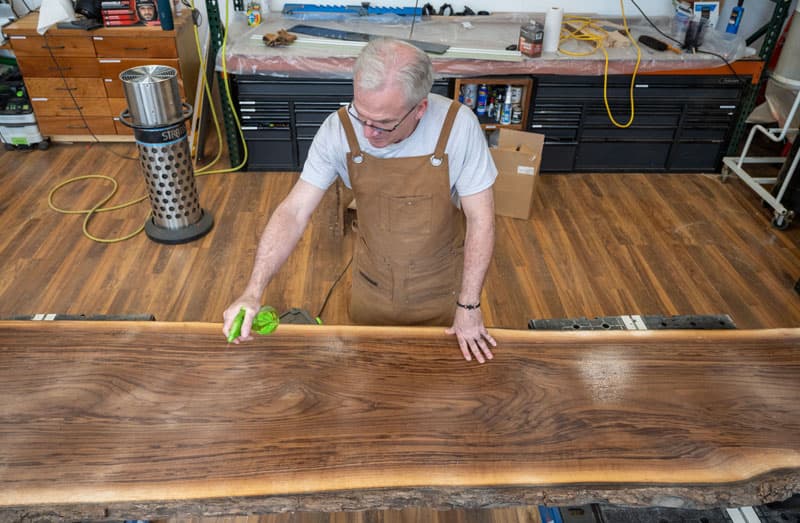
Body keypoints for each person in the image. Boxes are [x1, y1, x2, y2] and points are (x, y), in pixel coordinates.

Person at [223, 38, 498, 363]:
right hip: (373, 283)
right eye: (361, 115)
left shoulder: (458, 127)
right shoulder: (337, 130)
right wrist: (252, 291)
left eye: (384, 123)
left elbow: (482, 219)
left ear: (420, 108)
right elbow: (294, 212)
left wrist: (469, 305)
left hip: (441, 289)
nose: (368, 133)